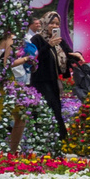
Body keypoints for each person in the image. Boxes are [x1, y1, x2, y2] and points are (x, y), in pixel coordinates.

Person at [26, 13, 72, 142]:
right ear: (45, 23)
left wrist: (78, 55)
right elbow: (35, 58)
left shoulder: (58, 40)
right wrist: (49, 45)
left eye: (57, 24)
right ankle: (49, 138)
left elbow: (69, 53)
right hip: (40, 80)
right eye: (52, 23)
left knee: (56, 107)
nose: (54, 26)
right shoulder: (37, 39)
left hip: (53, 80)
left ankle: (58, 139)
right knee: (47, 108)